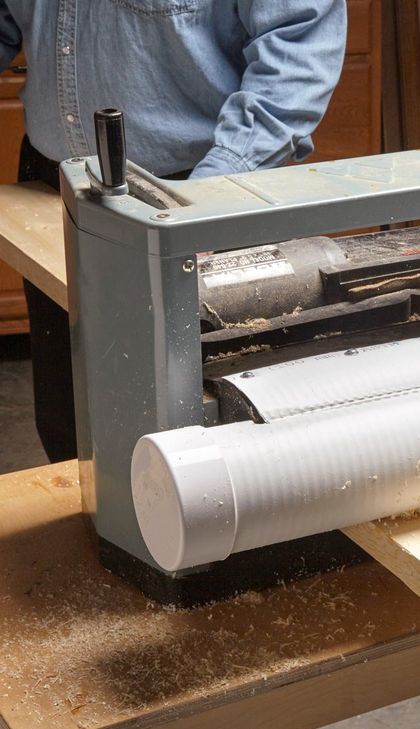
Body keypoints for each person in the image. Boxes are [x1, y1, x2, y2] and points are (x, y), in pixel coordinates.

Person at [0, 0, 347, 462]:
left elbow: (299, 44)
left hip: (199, 195)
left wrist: (202, 203)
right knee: (72, 425)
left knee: (207, 439)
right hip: (54, 187)